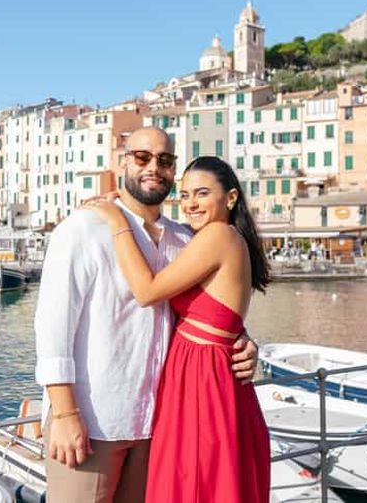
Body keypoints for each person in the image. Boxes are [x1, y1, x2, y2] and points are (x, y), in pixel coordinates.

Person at [34, 127, 258, 503]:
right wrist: (65, 414)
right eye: (142, 157)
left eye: (165, 160)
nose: (154, 167)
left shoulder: (186, 239)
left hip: (158, 425)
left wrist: (243, 339)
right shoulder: (82, 230)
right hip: (93, 422)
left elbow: (210, 308)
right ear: (123, 162)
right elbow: (52, 328)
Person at [86, 155, 271, 503]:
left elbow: (147, 291)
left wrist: (117, 220)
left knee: (197, 480)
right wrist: (243, 336)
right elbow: (219, 313)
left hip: (203, 378)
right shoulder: (213, 238)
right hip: (204, 374)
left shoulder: (218, 235)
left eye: (202, 193)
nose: (190, 204)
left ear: (231, 198)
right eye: (184, 195)